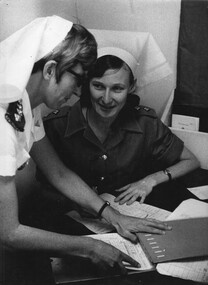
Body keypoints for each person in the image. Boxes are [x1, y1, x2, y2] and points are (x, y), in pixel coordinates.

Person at [0, 16, 170, 285]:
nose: (81, 93)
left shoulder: (27, 104)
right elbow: (8, 234)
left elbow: (57, 172)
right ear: (50, 70)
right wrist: (89, 247)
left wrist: (114, 216)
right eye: (78, 80)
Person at [42, 46, 200, 214]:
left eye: (117, 88)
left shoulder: (146, 123)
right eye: (98, 86)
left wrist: (150, 181)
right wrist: (75, 202)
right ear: (87, 84)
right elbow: (45, 186)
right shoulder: (57, 124)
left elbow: (191, 161)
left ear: (131, 86)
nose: (107, 99)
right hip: (74, 218)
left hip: (124, 214)